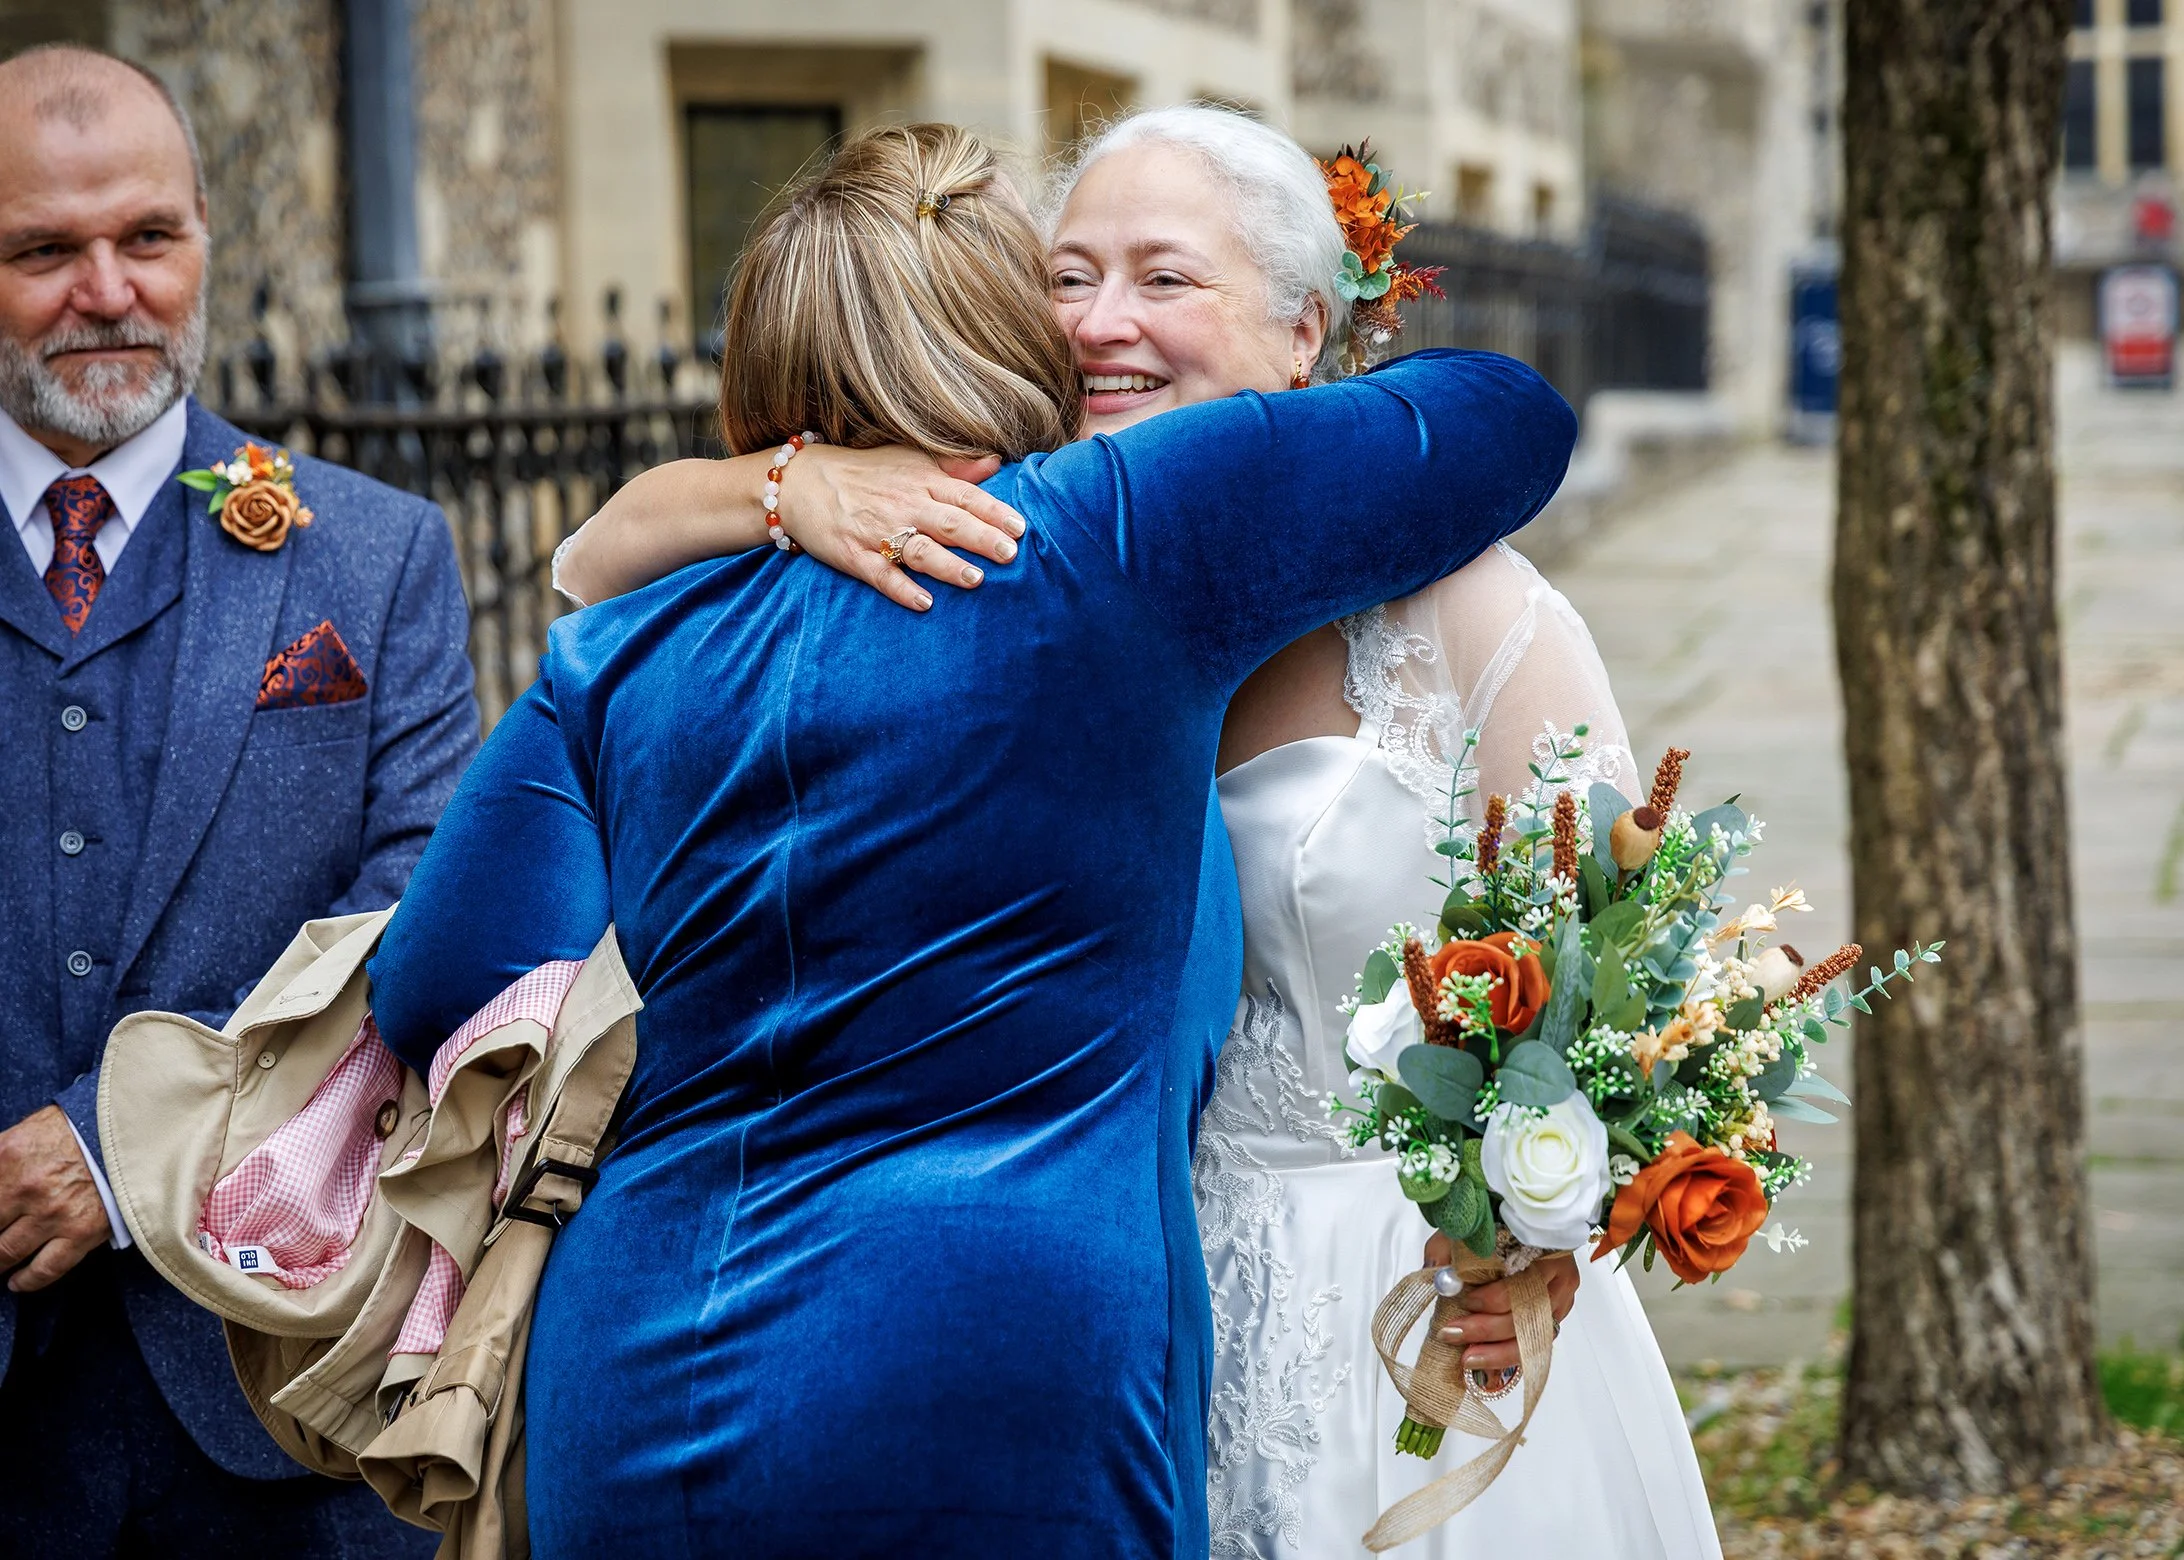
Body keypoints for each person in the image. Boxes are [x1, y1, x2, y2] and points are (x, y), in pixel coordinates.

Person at [362, 121, 1574, 1558]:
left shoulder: (610, 655)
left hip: (628, 1377)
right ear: (1008, 329)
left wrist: (751, 494)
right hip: (998, 1371)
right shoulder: (1109, 534)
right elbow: (1506, 416)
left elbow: (442, 982)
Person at [0, 44, 471, 1556]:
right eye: (41, 252)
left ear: (206, 230)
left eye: (148, 238)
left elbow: (416, 909)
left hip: (278, 1381)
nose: (108, 290)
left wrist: (118, 1154)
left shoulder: (376, 558)